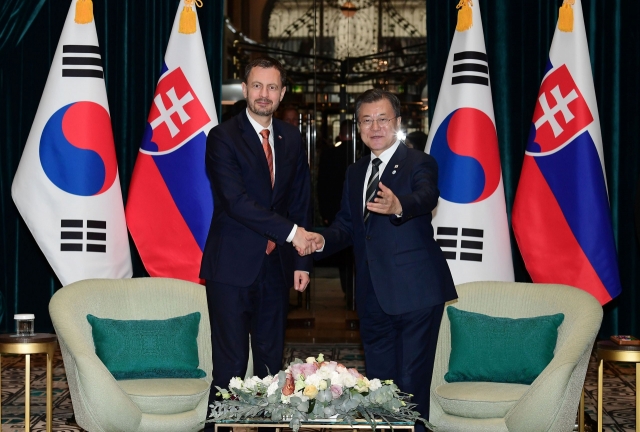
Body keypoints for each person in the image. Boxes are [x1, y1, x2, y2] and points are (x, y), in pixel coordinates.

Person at [304, 89, 457, 432]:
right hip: (372, 295)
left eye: (382, 119)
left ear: (398, 124)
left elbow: (426, 195)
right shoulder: (356, 173)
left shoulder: (420, 162)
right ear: (358, 128)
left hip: (415, 292)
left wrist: (398, 205)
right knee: (379, 386)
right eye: (366, 120)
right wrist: (320, 240)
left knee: (410, 384)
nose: (375, 127)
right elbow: (347, 225)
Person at [200, 57, 313, 413]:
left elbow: (300, 201)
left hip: (276, 267)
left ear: (282, 94)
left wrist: (303, 261)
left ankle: (268, 423)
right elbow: (236, 202)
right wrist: (293, 232)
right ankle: (221, 425)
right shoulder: (222, 137)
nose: (264, 94)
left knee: (270, 366)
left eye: (272, 87)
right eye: (257, 86)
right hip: (231, 268)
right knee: (231, 367)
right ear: (246, 89)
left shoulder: (291, 138)